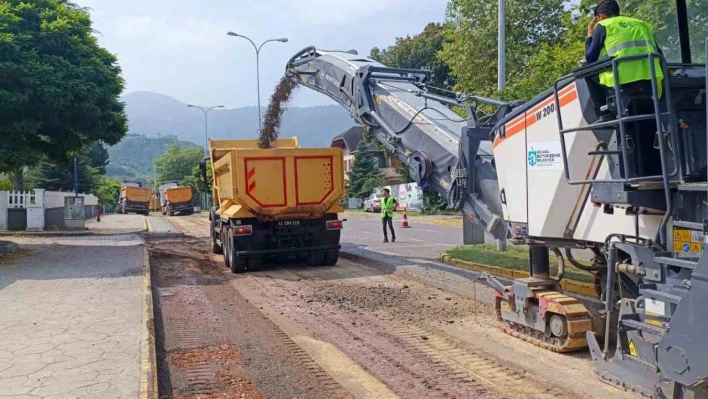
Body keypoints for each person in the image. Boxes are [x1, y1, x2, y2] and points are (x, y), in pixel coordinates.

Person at [585, 0, 663, 121]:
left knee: (588, 74)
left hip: (623, 79)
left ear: (600, 16)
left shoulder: (604, 24)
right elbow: (658, 52)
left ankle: (605, 114)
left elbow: (590, 58)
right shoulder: (640, 23)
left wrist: (590, 34)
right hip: (650, 77)